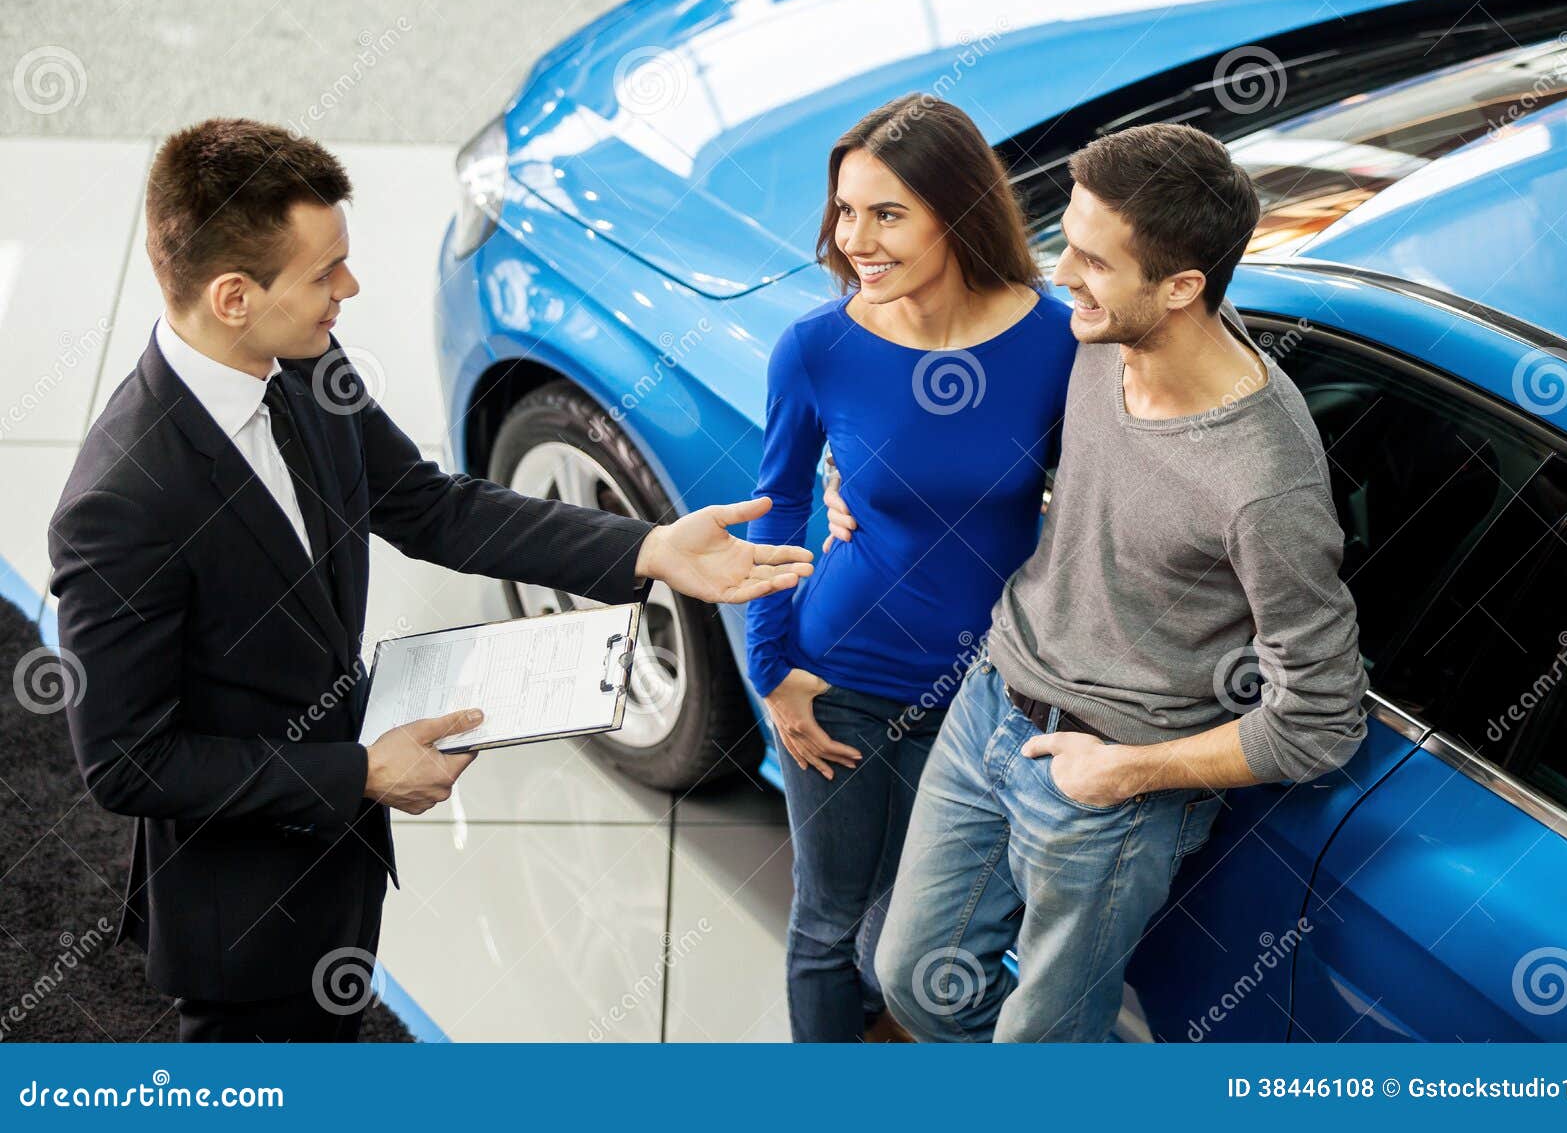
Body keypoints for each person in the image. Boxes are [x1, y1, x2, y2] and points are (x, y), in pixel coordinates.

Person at [47, 118, 812, 1043]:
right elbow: (127, 760)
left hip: (343, 854)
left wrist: (647, 549)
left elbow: (427, 505)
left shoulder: (304, 364)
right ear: (235, 296)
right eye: (325, 271)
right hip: (243, 910)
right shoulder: (120, 503)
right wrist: (360, 770)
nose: (351, 288)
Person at [840, 122, 1370, 1042]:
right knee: (912, 978)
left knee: (1042, 1047)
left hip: (1108, 786)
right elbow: (965, 411)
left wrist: (1128, 772)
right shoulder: (1095, 337)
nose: (1061, 276)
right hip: (991, 704)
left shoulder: (1263, 481)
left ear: (1181, 288)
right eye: (1066, 244)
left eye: (1090, 260)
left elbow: (1321, 720)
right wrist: (852, 476)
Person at [745, 95, 1076, 1042]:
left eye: (886, 213)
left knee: (907, 934)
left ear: (957, 212)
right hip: (838, 671)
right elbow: (779, 507)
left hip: (980, 695)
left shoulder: (1054, 342)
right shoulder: (817, 347)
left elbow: (1091, 502)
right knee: (827, 918)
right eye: (845, 210)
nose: (856, 239)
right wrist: (774, 670)